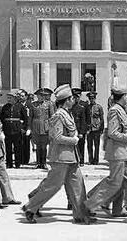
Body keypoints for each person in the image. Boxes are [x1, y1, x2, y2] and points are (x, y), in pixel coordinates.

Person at [22, 84, 96, 224]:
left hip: (71, 157)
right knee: (53, 185)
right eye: (71, 98)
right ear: (66, 100)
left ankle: (80, 214)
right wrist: (73, 140)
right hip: (60, 157)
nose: (73, 100)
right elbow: (57, 137)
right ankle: (30, 208)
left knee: (78, 186)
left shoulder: (67, 113)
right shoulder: (58, 115)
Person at [84, 87, 127, 219]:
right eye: (126, 96)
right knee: (115, 182)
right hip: (117, 152)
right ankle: (88, 205)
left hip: (123, 152)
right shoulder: (115, 110)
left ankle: (123, 209)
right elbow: (113, 133)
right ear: (122, 97)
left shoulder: (120, 109)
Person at [0, 90, 29, 168]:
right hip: (8, 130)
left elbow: (25, 119)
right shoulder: (5, 107)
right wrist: (2, 130)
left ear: (15, 98)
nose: (9, 99)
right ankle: (9, 163)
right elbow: (2, 119)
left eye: (10, 98)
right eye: (8, 98)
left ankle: (17, 163)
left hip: (17, 130)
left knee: (17, 147)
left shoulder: (20, 107)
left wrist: (24, 128)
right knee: (8, 147)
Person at [30, 88, 54, 169]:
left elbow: (52, 117)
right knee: (37, 145)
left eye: (43, 96)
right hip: (36, 127)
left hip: (45, 127)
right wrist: (29, 128)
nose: (41, 97)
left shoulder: (49, 104)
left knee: (44, 146)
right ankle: (38, 162)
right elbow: (30, 117)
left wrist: (51, 128)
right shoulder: (33, 104)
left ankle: (43, 163)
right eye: (39, 96)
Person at [70, 88, 89, 166]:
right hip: (72, 129)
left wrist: (83, 131)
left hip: (80, 128)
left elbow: (85, 119)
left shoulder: (83, 106)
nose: (76, 98)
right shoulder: (70, 107)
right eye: (74, 97)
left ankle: (81, 160)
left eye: (77, 97)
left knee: (81, 145)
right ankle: (74, 160)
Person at [86, 91, 104, 165]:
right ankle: (90, 159)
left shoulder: (99, 107)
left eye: (93, 98)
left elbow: (102, 118)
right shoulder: (87, 107)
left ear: (95, 98)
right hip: (89, 128)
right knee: (89, 145)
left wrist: (101, 128)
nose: (92, 100)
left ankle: (96, 160)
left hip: (97, 128)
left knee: (96, 145)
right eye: (90, 98)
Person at [17, 89, 32, 165]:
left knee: (26, 143)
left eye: (23, 96)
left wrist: (29, 128)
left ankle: (26, 159)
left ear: (26, 97)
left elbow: (30, 117)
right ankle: (20, 159)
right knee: (19, 144)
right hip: (19, 127)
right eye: (20, 96)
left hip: (27, 126)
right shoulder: (17, 104)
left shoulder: (30, 105)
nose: (21, 97)